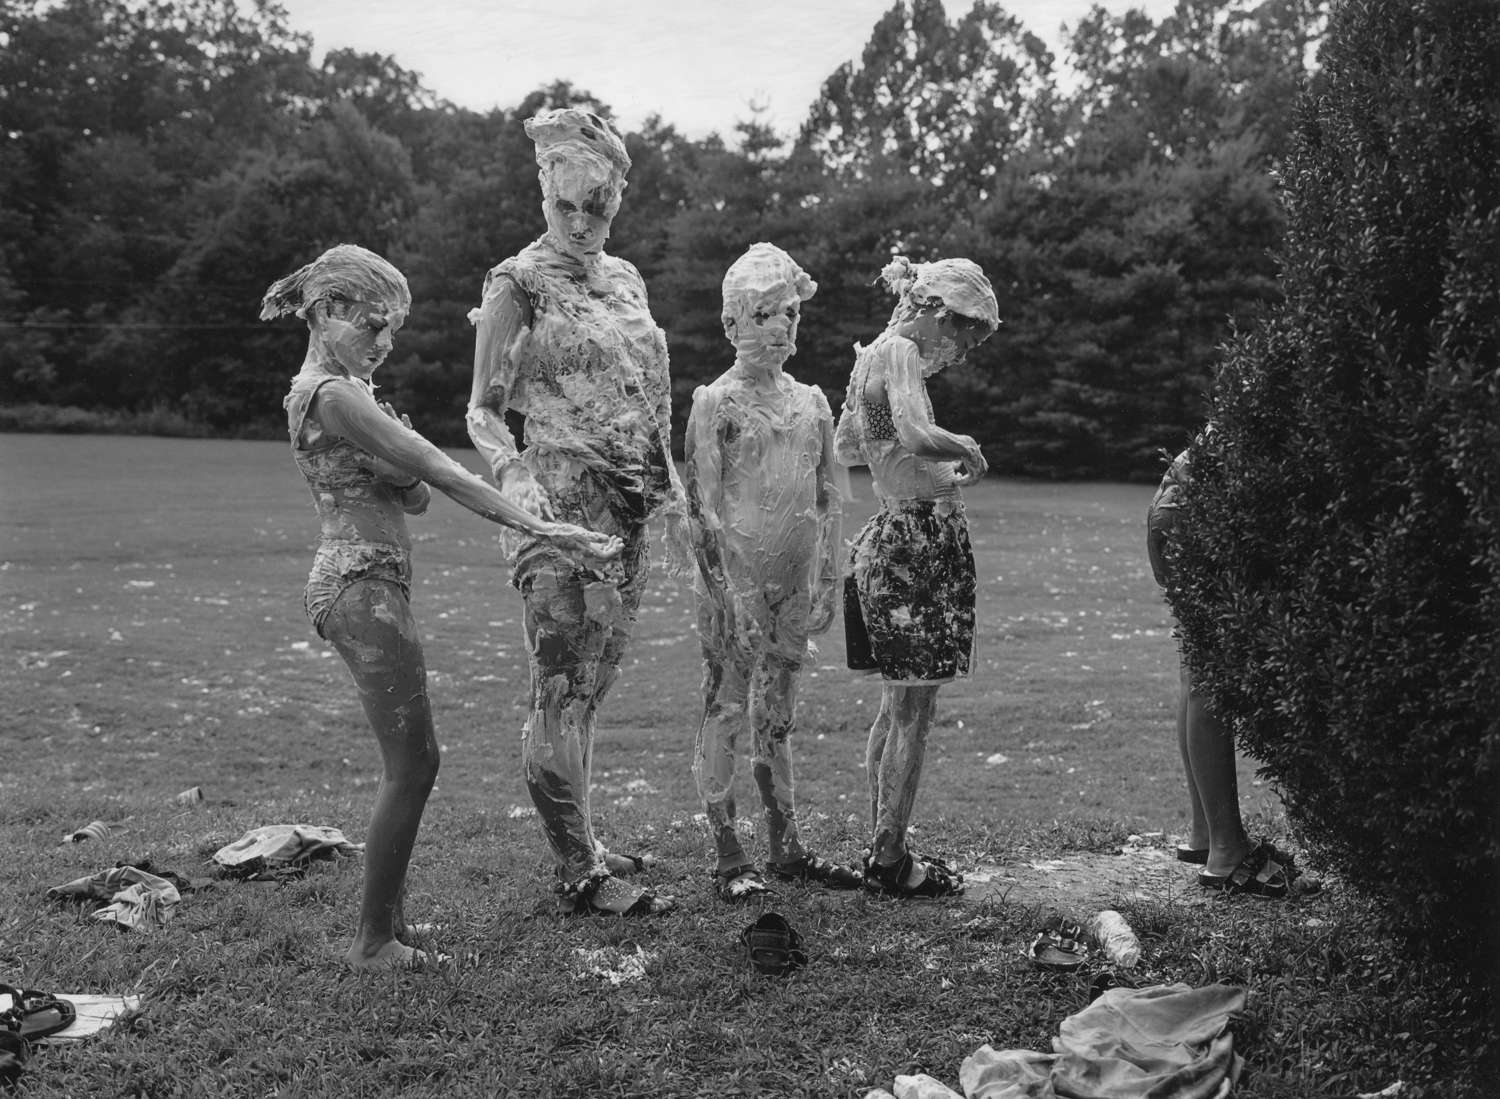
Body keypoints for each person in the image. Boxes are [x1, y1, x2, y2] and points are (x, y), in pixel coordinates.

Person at [263, 243, 620, 968]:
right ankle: (372, 941)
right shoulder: (331, 395)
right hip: (358, 583)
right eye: (372, 324)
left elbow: (415, 497)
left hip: (375, 581)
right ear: (328, 312)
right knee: (415, 761)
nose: (385, 342)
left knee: (417, 759)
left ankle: (386, 926)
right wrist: (541, 525)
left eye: (392, 328)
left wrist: (397, 457)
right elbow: (436, 472)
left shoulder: (348, 396)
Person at [466, 108, 689, 917]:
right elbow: (483, 410)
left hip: (625, 513)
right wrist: (514, 477)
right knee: (557, 686)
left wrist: (673, 497)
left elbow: (649, 399)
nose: (584, 219)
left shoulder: (625, 279)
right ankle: (578, 871)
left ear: (618, 198)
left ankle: (582, 835)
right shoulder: (515, 284)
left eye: (599, 204)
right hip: (557, 512)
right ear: (545, 190)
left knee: (592, 687)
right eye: (569, 204)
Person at [684, 243, 863, 902]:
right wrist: (721, 587)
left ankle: (786, 841)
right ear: (732, 325)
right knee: (727, 703)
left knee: (781, 712)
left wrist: (827, 575)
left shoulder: (813, 402)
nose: (781, 327)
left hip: (793, 582)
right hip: (735, 581)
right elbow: (699, 507)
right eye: (763, 315)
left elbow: (828, 496)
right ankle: (728, 847)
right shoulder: (716, 403)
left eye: (788, 313)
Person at [833, 255, 999, 898]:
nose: (961, 349)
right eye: (962, 332)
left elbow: (854, 444)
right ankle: (890, 858)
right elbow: (912, 429)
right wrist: (965, 447)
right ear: (933, 311)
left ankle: (884, 845)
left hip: (894, 532)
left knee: (897, 704)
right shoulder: (899, 351)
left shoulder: (870, 356)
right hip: (918, 542)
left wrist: (915, 458)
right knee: (914, 711)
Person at [1148, 443, 1313, 897]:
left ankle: (1206, 836)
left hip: (1177, 498)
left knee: (1195, 671)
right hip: (1206, 507)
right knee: (1206, 675)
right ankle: (1226, 852)